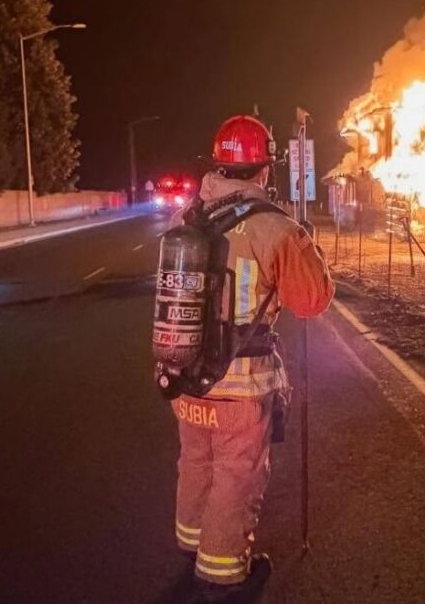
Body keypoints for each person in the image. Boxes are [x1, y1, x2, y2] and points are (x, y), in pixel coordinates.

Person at [170, 115, 334, 601]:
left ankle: (191, 545)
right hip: (240, 384)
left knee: (196, 461)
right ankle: (222, 575)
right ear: (264, 169)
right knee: (236, 473)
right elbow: (311, 302)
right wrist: (307, 248)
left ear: (218, 164)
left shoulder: (186, 218)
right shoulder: (273, 228)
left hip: (184, 373)